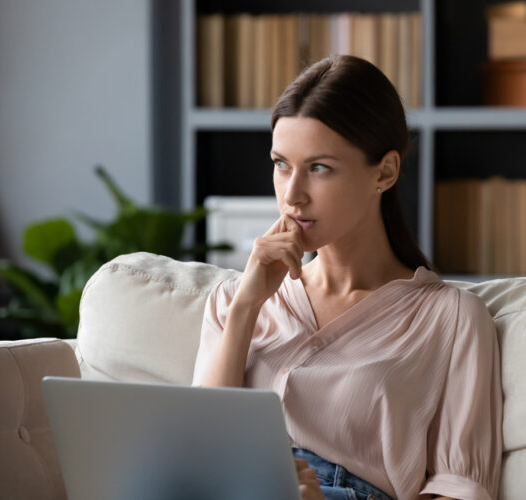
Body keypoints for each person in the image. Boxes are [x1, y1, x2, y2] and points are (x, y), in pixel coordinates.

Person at [191, 54, 503, 500]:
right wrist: (245, 308)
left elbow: (459, 490)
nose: (292, 195)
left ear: (385, 171)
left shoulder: (450, 319)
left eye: (319, 168)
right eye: (281, 164)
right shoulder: (234, 300)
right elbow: (198, 454)